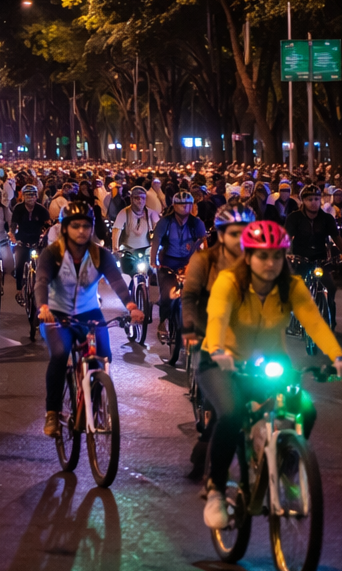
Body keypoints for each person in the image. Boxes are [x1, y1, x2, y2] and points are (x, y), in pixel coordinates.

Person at [199, 221, 342, 530]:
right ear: (247, 257)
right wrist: (218, 351)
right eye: (263, 256)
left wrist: (337, 356)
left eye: (277, 256)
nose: (271, 264)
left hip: (270, 360)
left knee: (305, 410)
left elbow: (314, 320)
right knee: (230, 414)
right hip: (220, 361)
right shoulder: (229, 282)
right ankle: (215, 489)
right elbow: (217, 317)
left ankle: (285, 464)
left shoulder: (292, 286)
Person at [36, 201, 145, 438]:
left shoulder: (100, 254)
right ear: (65, 228)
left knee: (103, 356)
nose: (81, 231)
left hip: (89, 313)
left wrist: (131, 306)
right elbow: (41, 281)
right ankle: (52, 412)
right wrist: (43, 307)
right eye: (75, 226)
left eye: (86, 226)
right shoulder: (52, 253)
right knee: (59, 354)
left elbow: (116, 281)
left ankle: (92, 403)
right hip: (57, 314)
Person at [180, 204, 253, 479]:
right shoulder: (204, 261)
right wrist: (190, 328)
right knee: (227, 409)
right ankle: (209, 471)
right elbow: (189, 298)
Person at [151, 192, 205, 339]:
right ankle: (162, 322)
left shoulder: (197, 223)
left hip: (188, 262)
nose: (184, 207)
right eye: (180, 204)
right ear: (174, 206)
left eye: (187, 204)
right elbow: (156, 240)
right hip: (168, 262)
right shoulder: (165, 222)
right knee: (167, 295)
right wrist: (153, 260)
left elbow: (203, 241)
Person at [11, 184, 51, 298]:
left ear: (36, 196)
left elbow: (48, 224)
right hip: (22, 240)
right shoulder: (18, 208)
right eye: (28, 195)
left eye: (33, 195)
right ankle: (19, 289)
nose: (30, 197)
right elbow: (14, 224)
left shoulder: (41, 209)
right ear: (23, 196)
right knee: (19, 264)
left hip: (37, 241)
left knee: (44, 264)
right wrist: (13, 235)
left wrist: (47, 233)